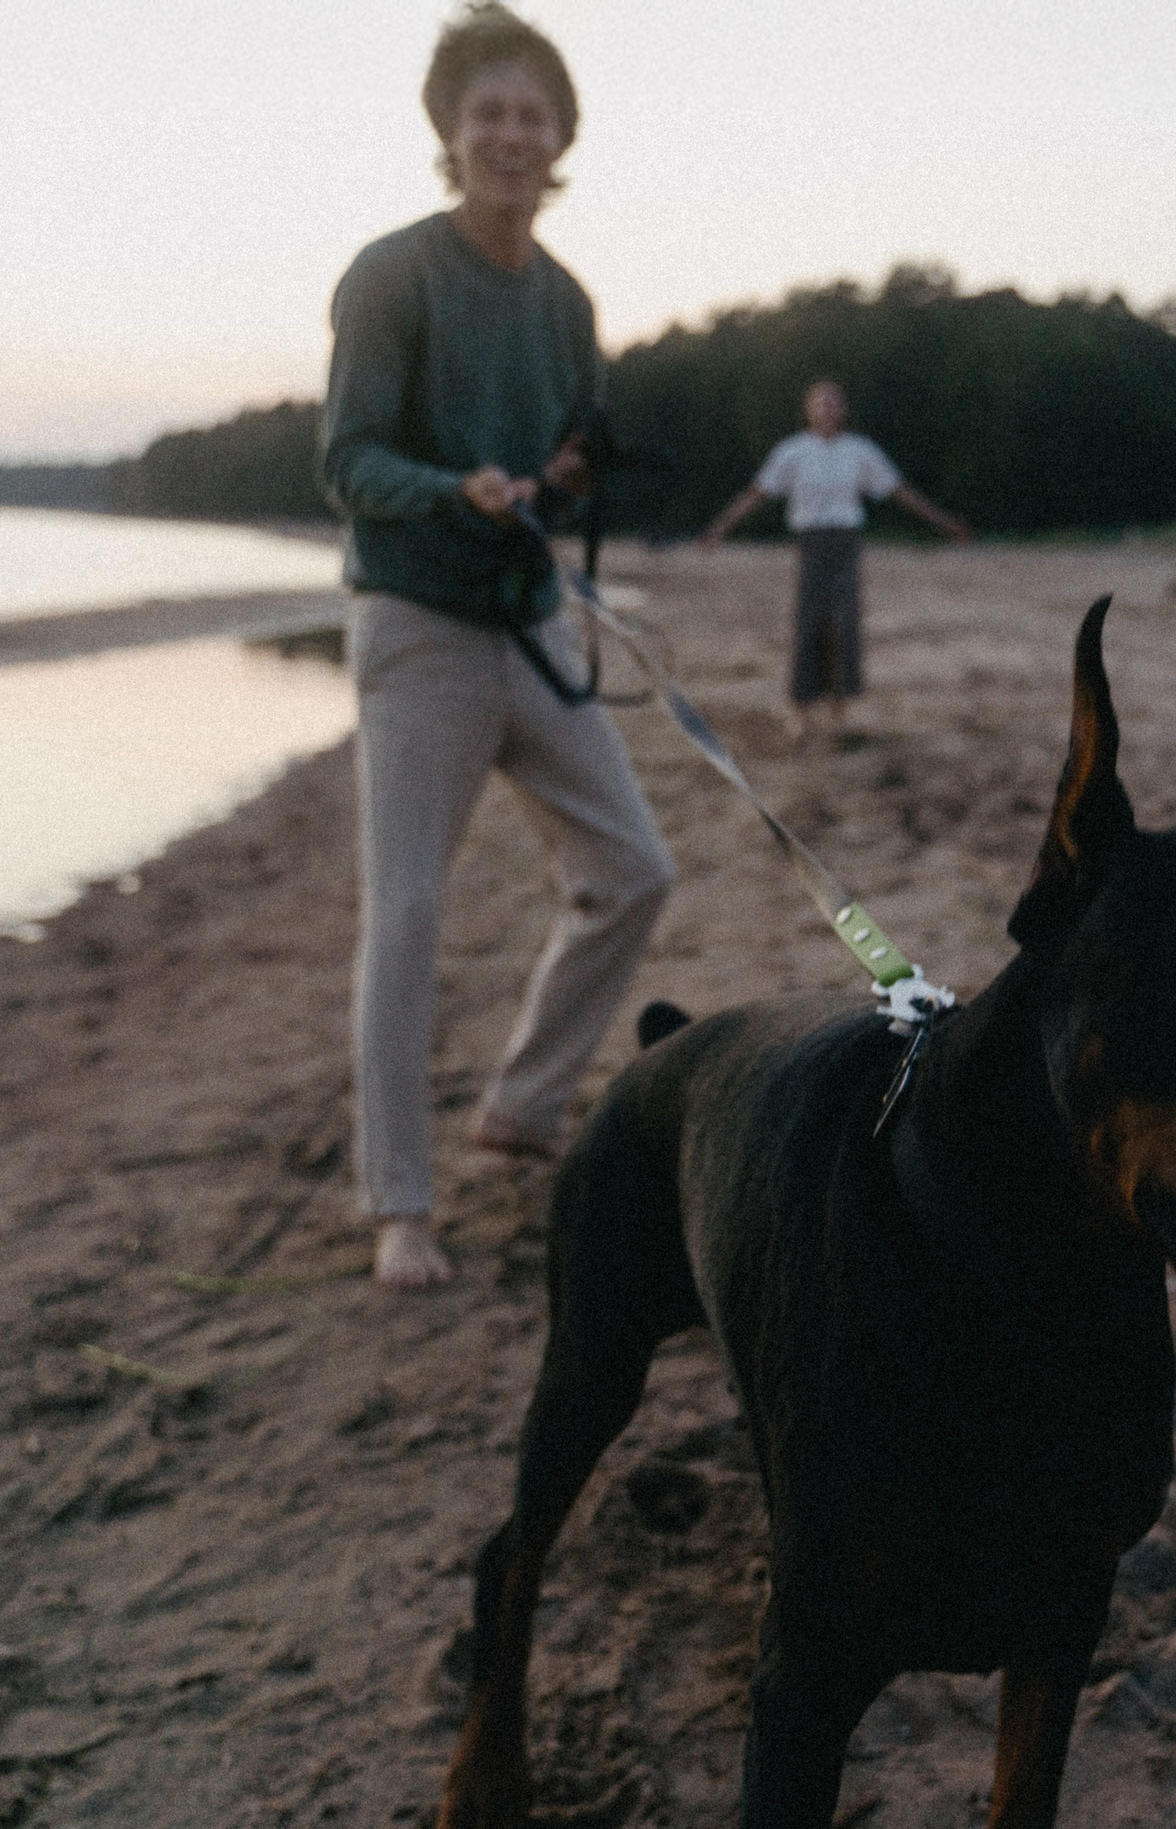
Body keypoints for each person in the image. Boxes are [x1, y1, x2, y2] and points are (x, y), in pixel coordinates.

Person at [320, 3, 674, 1291]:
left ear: (560, 135)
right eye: (489, 113)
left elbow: (560, 472)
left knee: (634, 867)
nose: (511, 134)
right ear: (452, 132)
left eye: (533, 114)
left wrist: (563, 483)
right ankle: (397, 1209)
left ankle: (523, 1101)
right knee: (405, 915)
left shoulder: (569, 302)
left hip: (528, 623)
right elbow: (345, 461)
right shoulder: (391, 274)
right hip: (414, 625)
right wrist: (452, 488)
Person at [698, 379, 970, 742]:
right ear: (809, 409)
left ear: (843, 409)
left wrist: (945, 522)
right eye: (820, 402)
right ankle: (799, 712)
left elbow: (899, 492)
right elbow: (757, 493)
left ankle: (837, 714)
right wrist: (720, 528)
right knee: (809, 626)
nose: (828, 408)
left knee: (844, 628)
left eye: (834, 402)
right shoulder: (791, 452)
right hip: (811, 546)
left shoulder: (860, 451)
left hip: (845, 545)